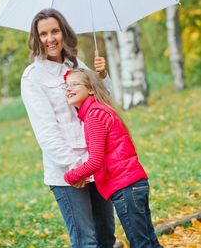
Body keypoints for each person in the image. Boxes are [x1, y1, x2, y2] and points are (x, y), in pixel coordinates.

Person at [21, 8, 120, 248]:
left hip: (95, 161)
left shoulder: (77, 65)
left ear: (64, 32)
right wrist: (78, 169)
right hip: (68, 173)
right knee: (86, 241)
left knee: (106, 236)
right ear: (37, 39)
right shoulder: (33, 77)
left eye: (55, 31)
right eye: (43, 34)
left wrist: (102, 75)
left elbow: (104, 102)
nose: (50, 38)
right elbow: (46, 132)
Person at [64, 68, 163, 248]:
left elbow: (95, 161)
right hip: (135, 184)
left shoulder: (93, 116)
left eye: (74, 84)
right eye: (66, 86)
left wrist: (71, 176)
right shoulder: (101, 110)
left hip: (125, 188)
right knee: (149, 242)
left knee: (141, 244)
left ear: (91, 89)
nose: (68, 89)